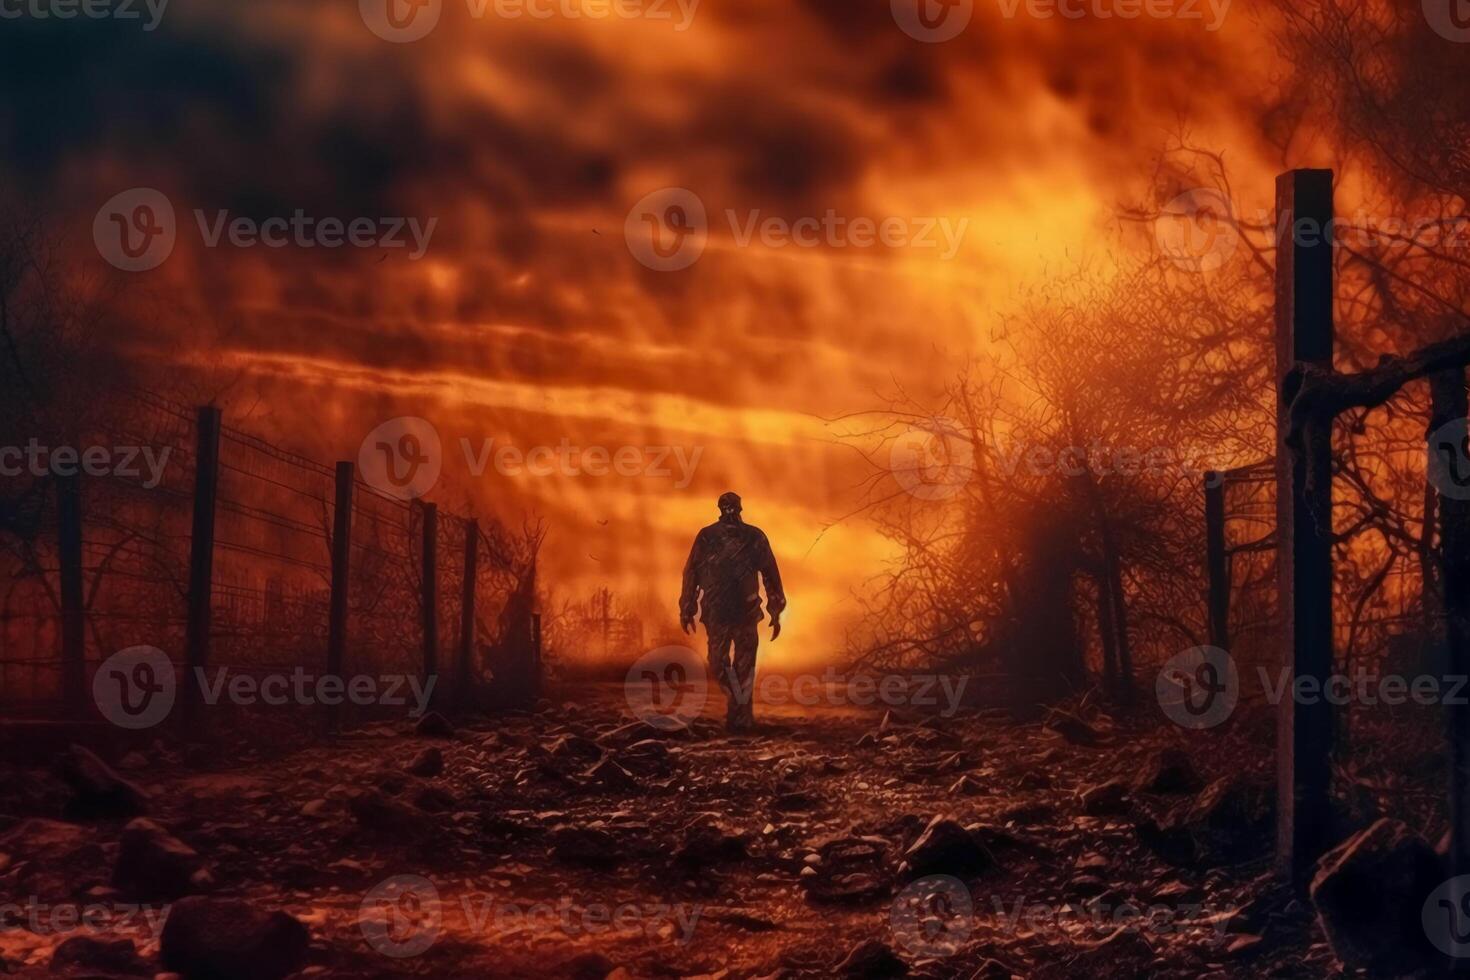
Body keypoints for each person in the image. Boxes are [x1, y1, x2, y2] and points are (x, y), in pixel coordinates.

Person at [679, 492, 785, 730]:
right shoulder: (707, 537)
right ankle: (737, 705)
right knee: (717, 663)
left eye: (733, 507)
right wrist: (687, 606)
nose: (729, 512)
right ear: (719, 509)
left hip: (746, 612)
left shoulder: (754, 537)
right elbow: (692, 572)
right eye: (725, 507)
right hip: (717, 612)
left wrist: (775, 608)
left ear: (740, 509)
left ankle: (741, 721)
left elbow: (770, 574)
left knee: (745, 667)